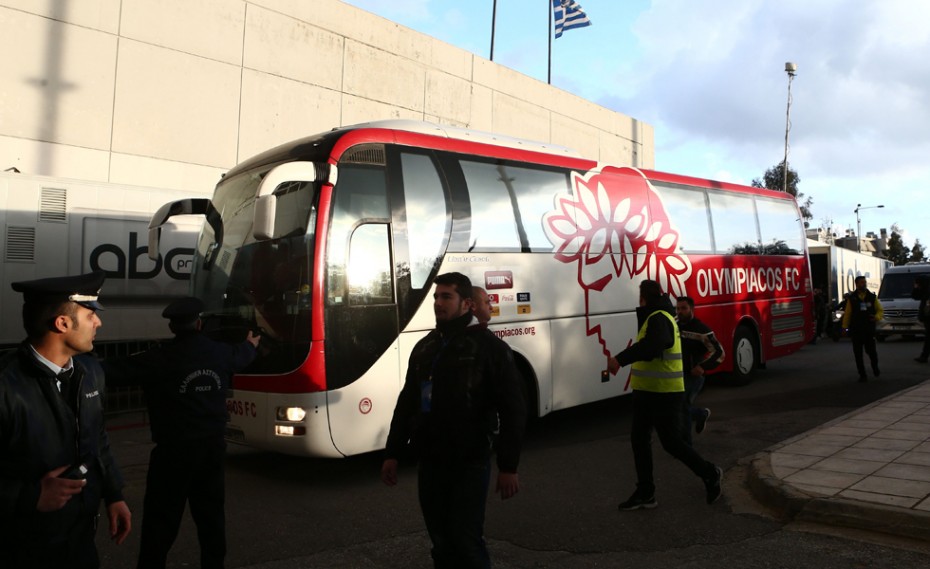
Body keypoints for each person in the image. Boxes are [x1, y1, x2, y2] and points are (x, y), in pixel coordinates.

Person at [381, 272, 525, 568]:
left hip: (469, 461)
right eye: (436, 297)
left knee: (465, 540)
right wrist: (393, 453)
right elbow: (407, 402)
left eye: (446, 296)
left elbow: (513, 409)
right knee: (441, 541)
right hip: (431, 461)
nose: (438, 303)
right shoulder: (425, 348)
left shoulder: (491, 349)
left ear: (467, 304)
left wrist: (508, 466)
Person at [104, 297, 260, 569]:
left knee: (160, 522)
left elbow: (113, 371)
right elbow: (244, 354)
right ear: (199, 323)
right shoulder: (221, 353)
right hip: (211, 452)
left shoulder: (158, 358)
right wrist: (251, 343)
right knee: (211, 519)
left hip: (172, 454)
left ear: (173, 328)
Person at [0, 271, 132, 568]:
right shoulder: (6, 386)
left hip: (80, 540)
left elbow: (98, 438)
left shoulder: (90, 372)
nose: (98, 322)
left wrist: (114, 494)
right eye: (90, 315)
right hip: (21, 549)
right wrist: (29, 496)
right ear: (62, 323)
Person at [607, 280, 722, 511]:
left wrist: (620, 359)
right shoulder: (656, 315)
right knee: (639, 440)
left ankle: (710, 473)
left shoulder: (659, 317)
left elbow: (654, 345)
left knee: (671, 443)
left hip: (664, 393)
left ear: (642, 297)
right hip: (647, 392)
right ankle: (646, 492)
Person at [675, 296, 725, 445]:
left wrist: (703, 366)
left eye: (684, 308)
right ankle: (700, 414)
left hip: (693, 376)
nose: (680, 312)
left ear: (692, 309)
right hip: (676, 375)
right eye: (678, 308)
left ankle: (685, 446)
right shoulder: (675, 326)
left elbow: (719, 352)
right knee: (678, 408)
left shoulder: (701, 329)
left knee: (682, 407)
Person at [841, 275, 883, 382]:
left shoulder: (872, 297)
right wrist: (845, 328)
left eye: (864, 282)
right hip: (856, 330)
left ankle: (875, 367)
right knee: (858, 354)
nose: (863, 284)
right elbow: (847, 314)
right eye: (861, 282)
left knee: (872, 352)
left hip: (869, 330)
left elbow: (880, 310)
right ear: (856, 284)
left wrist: (876, 317)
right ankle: (862, 374)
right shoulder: (852, 298)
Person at [912, 275, 930, 363]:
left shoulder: (927, 291)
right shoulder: (925, 290)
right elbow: (915, 296)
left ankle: (924, 356)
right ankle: (924, 356)